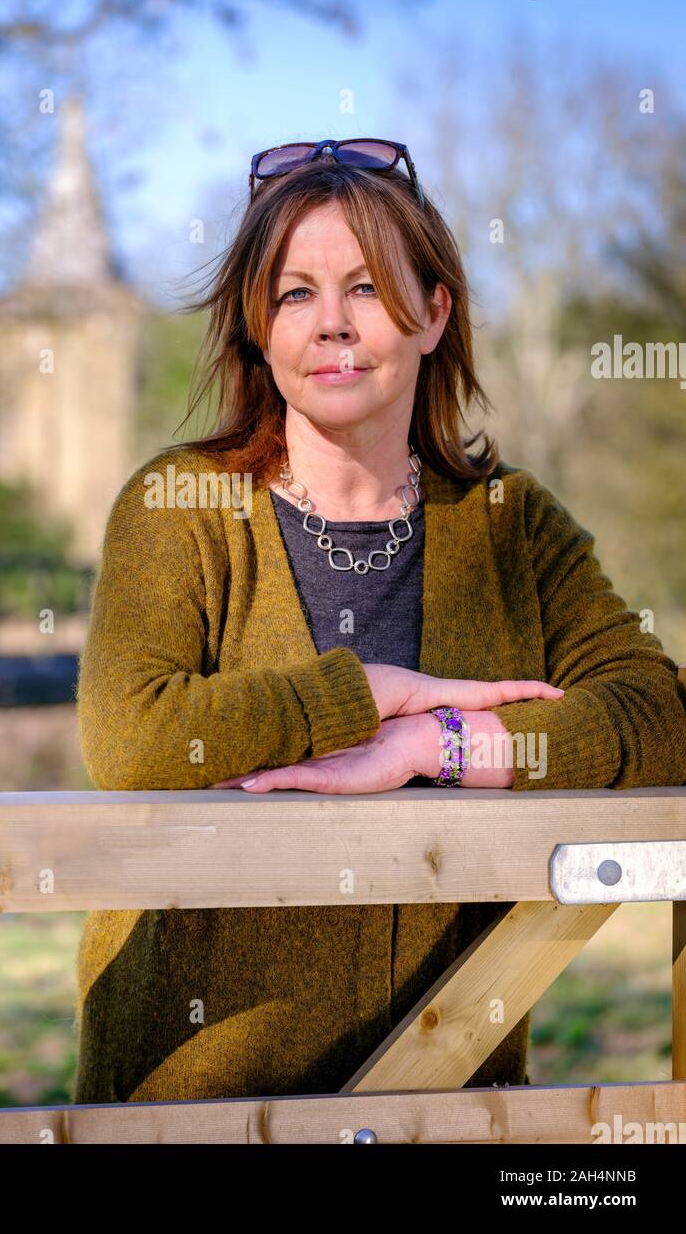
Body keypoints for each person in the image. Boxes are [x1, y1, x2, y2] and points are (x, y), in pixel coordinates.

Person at [71, 138, 686, 1105]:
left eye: (365, 288)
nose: (331, 326)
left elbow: (659, 716)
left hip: (447, 1104)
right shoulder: (176, 507)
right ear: (257, 330)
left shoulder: (510, 525)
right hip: (192, 1102)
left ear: (433, 313)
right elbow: (130, 733)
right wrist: (362, 697)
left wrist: (435, 744)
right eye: (294, 295)